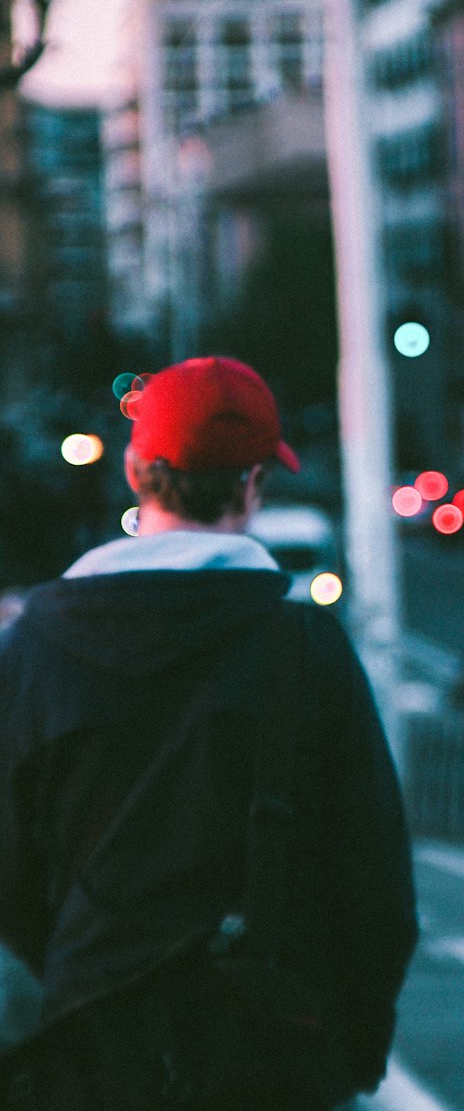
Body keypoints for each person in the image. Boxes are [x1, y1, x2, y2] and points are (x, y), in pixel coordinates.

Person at [0, 356, 417, 1110]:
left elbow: (10, 882)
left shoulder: (32, 651)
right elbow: (376, 888)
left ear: (135, 470)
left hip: (88, 1057)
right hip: (272, 1061)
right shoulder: (306, 650)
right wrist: (350, 1054)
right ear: (255, 484)